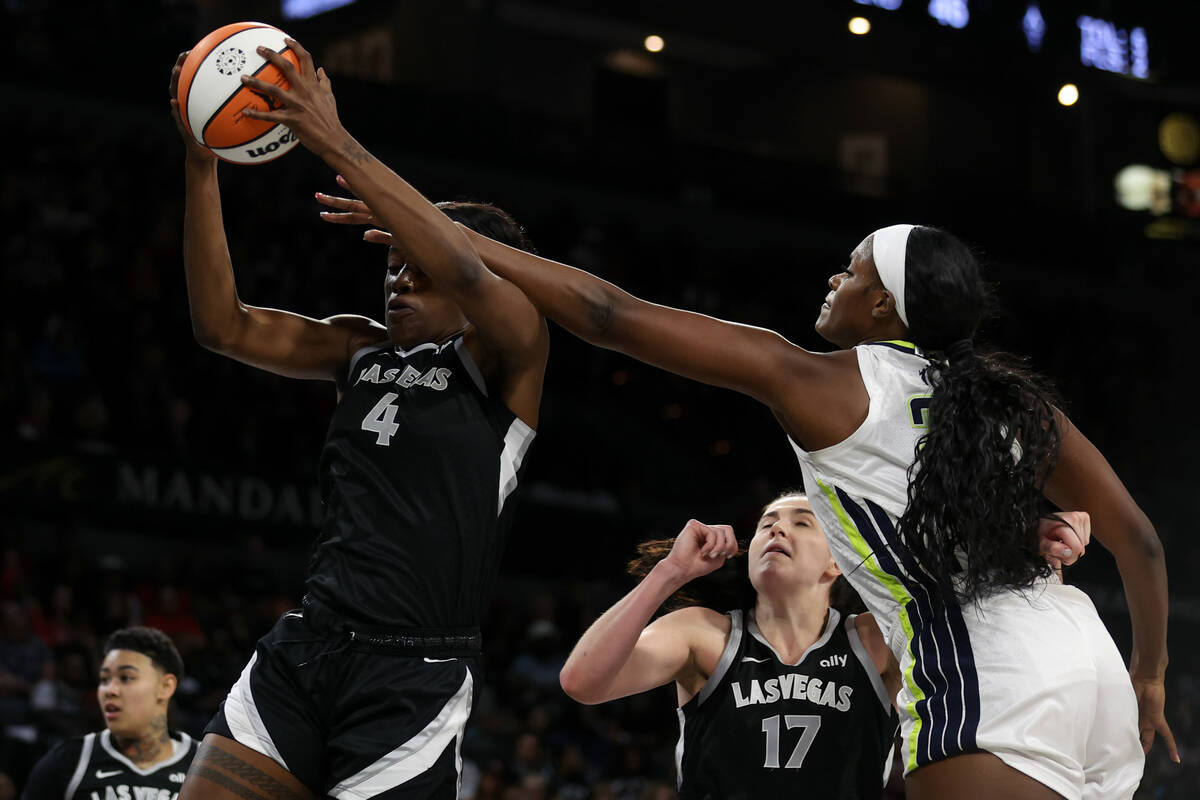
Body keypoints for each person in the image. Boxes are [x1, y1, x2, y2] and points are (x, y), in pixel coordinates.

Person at [319, 191, 1174, 795]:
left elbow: (607, 312)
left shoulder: (824, 382)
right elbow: (1139, 541)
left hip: (984, 684)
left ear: (883, 305)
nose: (832, 283)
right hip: (1088, 661)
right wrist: (1149, 677)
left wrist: (427, 225)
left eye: (849, 273)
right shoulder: (1012, 405)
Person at [167, 39, 549, 800]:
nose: (399, 282)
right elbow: (223, 326)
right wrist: (202, 160)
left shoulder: (512, 356)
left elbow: (471, 270)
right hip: (307, 647)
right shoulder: (356, 349)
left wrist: (337, 142)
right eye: (391, 265)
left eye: (419, 268)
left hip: (413, 671)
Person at [558, 492, 1090, 799]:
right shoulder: (705, 633)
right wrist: (670, 572)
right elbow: (582, 682)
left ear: (836, 561)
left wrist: (1035, 547)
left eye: (801, 522)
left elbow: (987, 619)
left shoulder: (873, 640)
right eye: (766, 523)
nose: (776, 530)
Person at [21, 627, 196, 800]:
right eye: (104, 679)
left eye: (126, 677)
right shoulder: (69, 761)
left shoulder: (206, 764)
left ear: (165, 686)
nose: (109, 690)